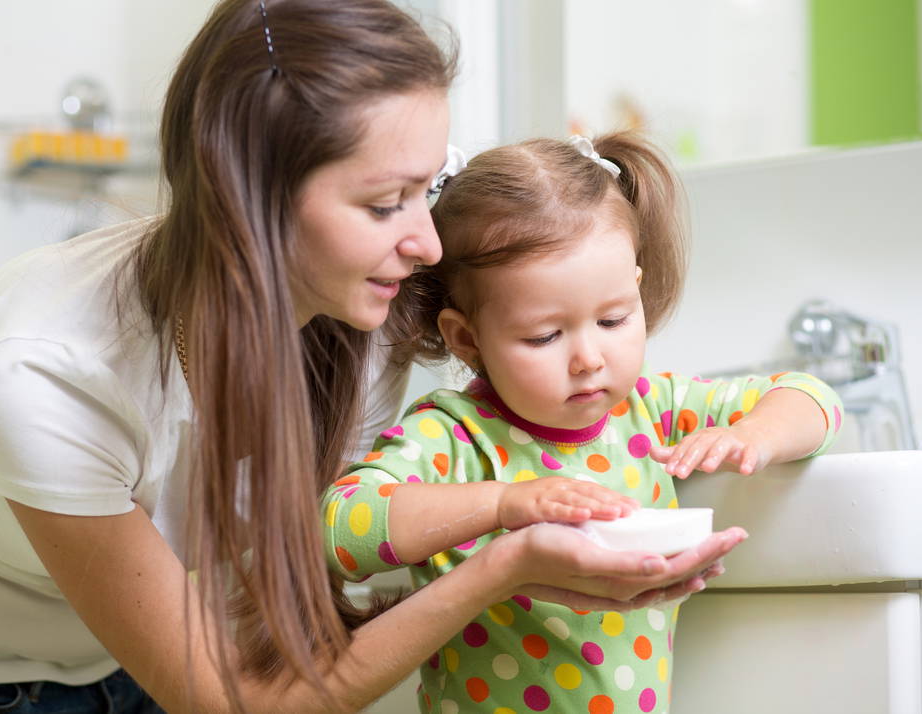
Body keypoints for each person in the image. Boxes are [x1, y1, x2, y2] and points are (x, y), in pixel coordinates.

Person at [0, 2, 747, 712]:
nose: (428, 244)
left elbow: (293, 597)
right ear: (250, 198)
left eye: (430, 186)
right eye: (386, 204)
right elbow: (227, 701)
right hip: (4, 678)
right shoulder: (50, 375)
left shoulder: (360, 311)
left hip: (190, 651)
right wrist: (501, 566)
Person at [323, 132, 843, 714]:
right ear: (467, 339)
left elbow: (812, 397)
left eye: (614, 319)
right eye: (545, 335)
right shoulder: (454, 436)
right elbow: (337, 527)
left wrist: (752, 436)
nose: (589, 358)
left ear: (637, 293)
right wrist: (502, 504)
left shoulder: (650, 409)